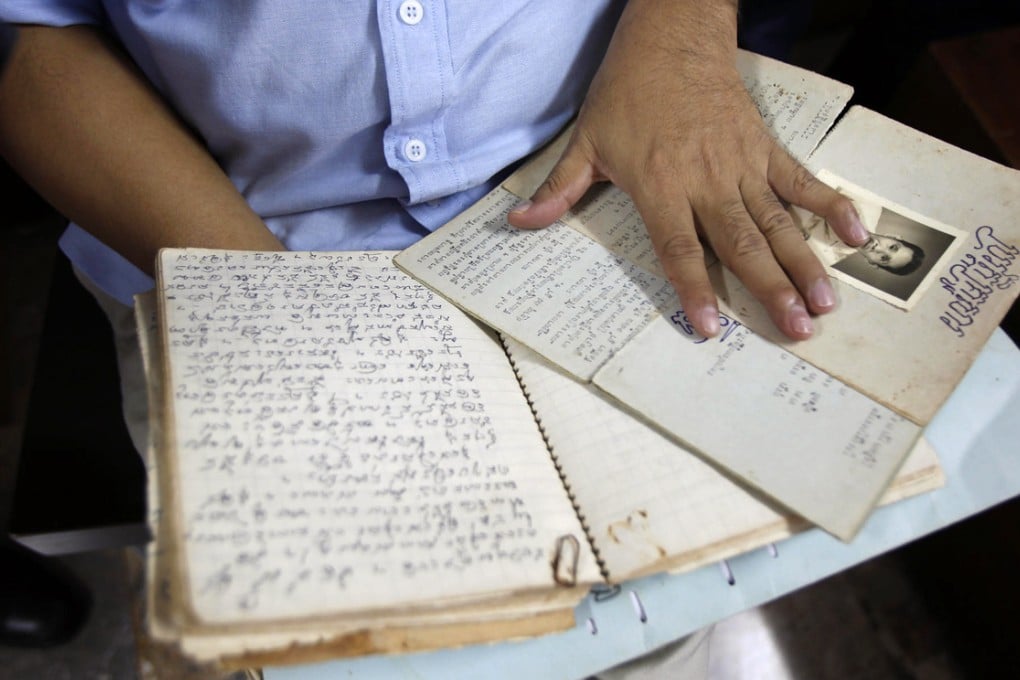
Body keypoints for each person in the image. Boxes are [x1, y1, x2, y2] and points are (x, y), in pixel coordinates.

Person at [0, 1, 866, 675]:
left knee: (654, 616)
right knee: (342, 637)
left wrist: (682, 32)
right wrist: (267, 301)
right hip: (231, 233)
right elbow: (29, 32)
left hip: (600, 169)